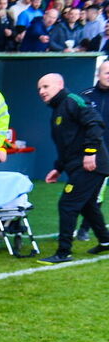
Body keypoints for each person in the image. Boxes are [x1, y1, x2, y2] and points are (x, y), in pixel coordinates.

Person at [36, 73, 109, 264]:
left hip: (91, 165)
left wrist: (90, 152)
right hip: (80, 165)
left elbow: (96, 123)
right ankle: (106, 241)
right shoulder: (57, 109)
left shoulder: (73, 101)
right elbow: (67, 145)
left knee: (68, 204)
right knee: (87, 205)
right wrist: (58, 168)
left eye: (46, 86)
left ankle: (64, 252)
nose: (42, 91)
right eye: (39, 89)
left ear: (60, 85)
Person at [76, 60, 109, 240]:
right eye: (107, 73)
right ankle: (70, 228)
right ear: (98, 74)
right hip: (86, 153)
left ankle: (84, 229)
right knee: (78, 193)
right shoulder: (85, 96)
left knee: (96, 193)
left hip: (106, 157)